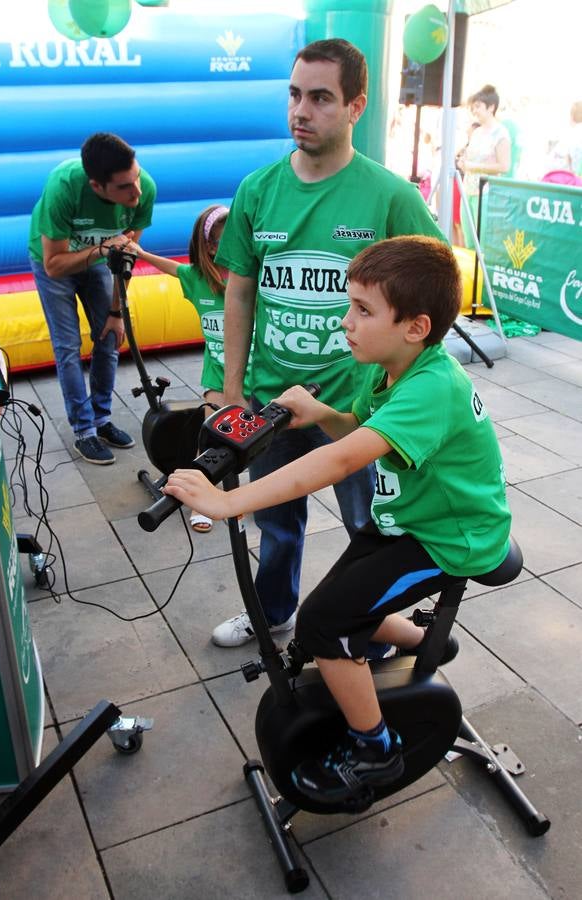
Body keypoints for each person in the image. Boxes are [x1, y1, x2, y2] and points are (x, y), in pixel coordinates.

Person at [162, 235, 511, 804]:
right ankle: (428, 641)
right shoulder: (389, 368)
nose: (346, 322)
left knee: (323, 623)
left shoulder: (432, 387)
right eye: (349, 305)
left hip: (452, 539)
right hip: (407, 520)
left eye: (363, 310)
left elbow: (342, 460)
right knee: (332, 610)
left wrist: (228, 502)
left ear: (416, 327)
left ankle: (375, 749)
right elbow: (362, 433)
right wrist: (321, 413)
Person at [212, 37, 446, 648]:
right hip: (270, 401)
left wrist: (404, 395)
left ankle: (363, 626)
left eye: (320, 97)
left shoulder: (391, 196)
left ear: (355, 107)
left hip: (357, 411)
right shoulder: (258, 190)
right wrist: (232, 390)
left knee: (369, 530)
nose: (301, 110)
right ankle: (273, 611)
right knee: (276, 524)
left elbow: (436, 294)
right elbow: (238, 293)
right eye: (294, 94)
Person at [29, 132, 157, 465]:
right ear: (97, 186)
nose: (137, 191)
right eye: (125, 187)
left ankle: (101, 419)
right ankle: (84, 430)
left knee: (109, 336)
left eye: (137, 178)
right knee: (68, 346)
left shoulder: (144, 188)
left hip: (101, 262)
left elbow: (124, 258)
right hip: (55, 263)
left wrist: (117, 311)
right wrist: (100, 249)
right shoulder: (64, 187)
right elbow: (53, 265)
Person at [129, 204, 237, 532]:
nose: (223, 248)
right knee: (214, 434)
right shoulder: (197, 279)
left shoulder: (252, 278)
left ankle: (246, 498)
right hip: (218, 372)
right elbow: (173, 269)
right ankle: (203, 500)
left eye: (230, 239)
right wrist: (141, 253)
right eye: (216, 242)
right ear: (207, 247)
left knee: (253, 439)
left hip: (255, 375)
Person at [457, 85, 511, 250]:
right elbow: (468, 156)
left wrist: (474, 166)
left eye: (478, 106)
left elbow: (504, 166)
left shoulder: (501, 133)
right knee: (469, 241)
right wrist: (463, 162)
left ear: (491, 107)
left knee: (484, 244)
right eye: (473, 107)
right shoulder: (476, 132)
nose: (475, 110)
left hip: (486, 193)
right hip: (467, 191)